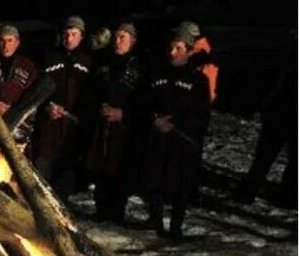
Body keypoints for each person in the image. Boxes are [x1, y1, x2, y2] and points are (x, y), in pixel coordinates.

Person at [140, 24, 210, 239]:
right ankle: (156, 221)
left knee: (181, 185)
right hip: (158, 137)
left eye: (178, 49)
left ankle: (176, 226)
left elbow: (202, 112)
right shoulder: (156, 74)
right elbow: (144, 102)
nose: (173, 53)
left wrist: (177, 123)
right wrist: (154, 120)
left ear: (189, 51)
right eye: (171, 48)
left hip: (183, 140)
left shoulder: (198, 79)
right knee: (155, 181)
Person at [83, 22, 145, 224]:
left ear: (132, 40)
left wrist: (124, 114)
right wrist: (98, 107)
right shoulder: (104, 64)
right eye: (116, 37)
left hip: (126, 127)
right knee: (101, 166)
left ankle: (118, 210)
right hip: (103, 124)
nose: (117, 42)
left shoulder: (139, 67)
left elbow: (146, 100)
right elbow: (91, 91)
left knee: (121, 168)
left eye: (123, 38)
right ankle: (101, 208)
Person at [33, 15, 92, 195]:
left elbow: (93, 93)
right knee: (44, 164)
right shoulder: (50, 57)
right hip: (49, 120)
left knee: (68, 168)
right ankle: (42, 202)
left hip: (74, 123)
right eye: (66, 34)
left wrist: (78, 113)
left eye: (74, 34)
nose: (69, 39)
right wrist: (46, 107)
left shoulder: (89, 60)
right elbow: (37, 87)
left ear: (81, 36)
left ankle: (63, 204)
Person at [233, 65, 296, 206]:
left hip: (279, 113)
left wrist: (265, 106)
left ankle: (247, 193)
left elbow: (277, 86)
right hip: (281, 113)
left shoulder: (288, 69)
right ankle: (289, 197)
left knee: (263, 159)